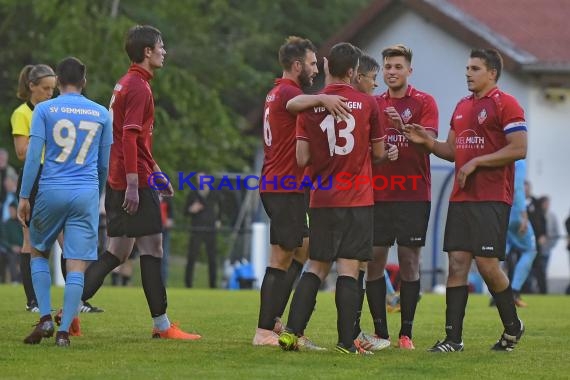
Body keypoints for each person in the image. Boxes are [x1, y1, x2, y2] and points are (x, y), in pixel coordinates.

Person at [79, 25, 200, 340]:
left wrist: (156, 172)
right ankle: (162, 325)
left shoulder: (127, 83)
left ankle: (70, 308)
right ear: (147, 51)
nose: (164, 51)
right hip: (130, 180)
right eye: (160, 46)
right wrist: (135, 184)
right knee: (153, 248)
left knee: (116, 252)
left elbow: (134, 141)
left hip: (122, 176)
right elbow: (129, 138)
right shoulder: (138, 87)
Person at [404, 48, 527, 352]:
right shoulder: (461, 106)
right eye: (467, 68)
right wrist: (428, 143)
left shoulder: (507, 104)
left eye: (475, 68)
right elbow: (452, 151)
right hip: (462, 198)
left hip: (491, 197)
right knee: (457, 264)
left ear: (492, 73)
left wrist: (476, 163)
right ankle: (453, 339)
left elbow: (519, 148)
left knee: (487, 266)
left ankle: (513, 326)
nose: (467, 73)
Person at [278, 42, 393, 355]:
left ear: (327, 65)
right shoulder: (369, 104)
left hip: (322, 198)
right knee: (348, 268)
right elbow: (380, 154)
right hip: (357, 198)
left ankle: (291, 333)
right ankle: (346, 342)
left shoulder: (309, 106)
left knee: (315, 265)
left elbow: (301, 159)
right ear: (355, 71)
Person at [252, 36, 348, 347]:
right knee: (280, 257)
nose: (314, 69)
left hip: (282, 186)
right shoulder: (289, 93)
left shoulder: (275, 91)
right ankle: (264, 331)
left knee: (302, 250)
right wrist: (324, 99)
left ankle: (276, 318)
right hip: (284, 187)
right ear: (296, 66)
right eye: (310, 64)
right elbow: (296, 104)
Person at [17, 57, 112, 346]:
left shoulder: (45, 109)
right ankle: (63, 333)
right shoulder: (100, 113)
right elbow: (104, 164)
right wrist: (95, 193)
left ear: (57, 81)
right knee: (76, 264)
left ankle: (45, 316)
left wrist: (23, 196)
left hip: (51, 189)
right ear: (84, 81)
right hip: (85, 191)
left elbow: (33, 157)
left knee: (37, 252)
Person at [363, 44, 439, 351]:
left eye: (397, 66)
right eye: (387, 67)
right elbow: (363, 148)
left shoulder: (424, 102)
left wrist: (401, 128)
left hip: (413, 193)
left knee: (409, 262)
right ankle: (381, 333)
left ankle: (406, 333)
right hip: (378, 194)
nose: (391, 72)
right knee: (374, 261)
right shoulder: (373, 103)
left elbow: (430, 144)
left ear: (409, 70)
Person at [11, 64, 56, 312]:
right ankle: (33, 301)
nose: (50, 93)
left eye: (53, 89)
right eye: (46, 88)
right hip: (33, 177)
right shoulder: (22, 113)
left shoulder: (53, 111)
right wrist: (43, 136)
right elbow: (21, 152)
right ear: (32, 87)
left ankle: (79, 299)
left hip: (54, 176)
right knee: (30, 240)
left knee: (66, 238)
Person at [501, 159, 537, 307]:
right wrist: (523, 215)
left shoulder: (495, 154)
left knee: (501, 252)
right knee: (530, 250)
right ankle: (514, 291)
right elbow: (517, 187)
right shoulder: (518, 161)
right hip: (515, 212)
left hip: (500, 210)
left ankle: (497, 294)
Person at [184, 173, 221, 288]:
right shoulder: (193, 194)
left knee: (212, 258)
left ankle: (213, 285)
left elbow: (221, 208)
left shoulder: (214, 194)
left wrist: (219, 220)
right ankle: (188, 284)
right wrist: (192, 209)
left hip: (211, 229)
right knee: (192, 257)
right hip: (196, 229)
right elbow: (185, 211)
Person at [523, 180, 547, 293]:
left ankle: (543, 291)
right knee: (522, 267)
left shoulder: (536, 203)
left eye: (527, 188)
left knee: (539, 268)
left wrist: (543, 234)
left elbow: (543, 220)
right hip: (520, 241)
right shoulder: (516, 203)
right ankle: (521, 291)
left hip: (535, 241)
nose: (525, 190)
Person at [160, 194, 174, 286]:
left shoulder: (167, 197)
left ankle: (163, 283)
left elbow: (171, 214)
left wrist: (170, 220)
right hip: (151, 231)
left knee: (164, 258)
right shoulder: (148, 193)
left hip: (164, 231)